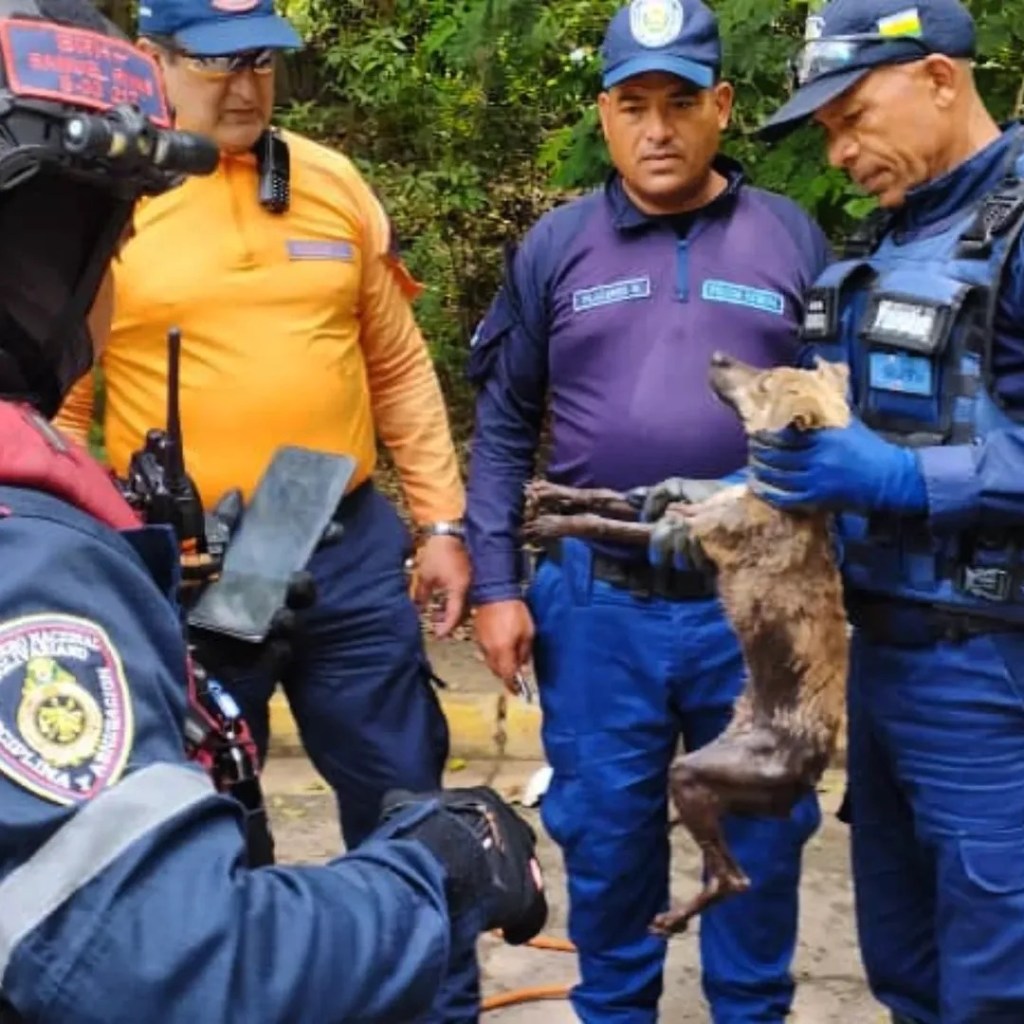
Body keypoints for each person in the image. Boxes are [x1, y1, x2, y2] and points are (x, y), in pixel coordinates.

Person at [0, 4, 545, 1023]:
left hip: (340, 540)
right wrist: (94, 541)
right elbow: (54, 405)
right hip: (196, 569)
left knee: (404, 792)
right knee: (199, 822)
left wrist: (440, 522)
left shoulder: (334, 185)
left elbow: (396, 365)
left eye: (262, 61)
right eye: (214, 62)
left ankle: (439, 1001)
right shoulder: (114, 192)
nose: (245, 84)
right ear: (154, 63)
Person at [464, 1, 833, 1020]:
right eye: (634, 105)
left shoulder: (788, 237)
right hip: (599, 608)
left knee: (760, 830)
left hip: (753, 606)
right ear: (605, 114)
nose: (657, 129)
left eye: (680, 103)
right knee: (608, 835)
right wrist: (496, 583)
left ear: (721, 106)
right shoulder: (557, 246)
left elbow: (838, 416)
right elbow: (502, 427)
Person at [689, 0, 1024, 1021]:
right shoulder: (889, 243)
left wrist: (899, 480)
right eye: (823, 130)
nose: (836, 152)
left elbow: (911, 461)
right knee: (906, 968)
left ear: (937, 78)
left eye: (849, 115)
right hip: (878, 666)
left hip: (992, 676)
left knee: (997, 983)